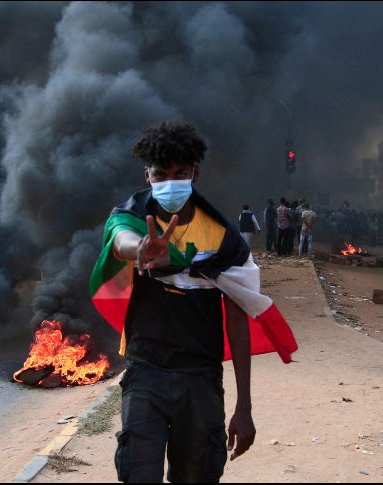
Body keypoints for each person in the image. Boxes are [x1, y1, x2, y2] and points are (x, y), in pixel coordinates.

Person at [89, 121, 297, 483]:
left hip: (200, 377)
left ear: (195, 173)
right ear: (147, 175)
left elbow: (237, 319)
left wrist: (244, 407)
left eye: (180, 172)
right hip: (145, 371)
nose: (170, 181)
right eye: (160, 174)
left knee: (197, 476)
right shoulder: (134, 217)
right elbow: (119, 238)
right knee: (137, 472)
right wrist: (140, 248)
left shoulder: (222, 238)